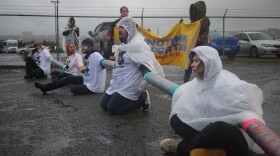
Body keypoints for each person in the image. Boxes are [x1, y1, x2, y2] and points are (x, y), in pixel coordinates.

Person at [160, 46, 264, 156]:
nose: (192, 65)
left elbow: (246, 111)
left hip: (235, 139)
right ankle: (212, 151)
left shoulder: (228, 83)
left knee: (218, 128)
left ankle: (181, 147)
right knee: (176, 119)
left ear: (207, 62)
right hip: (209, 135)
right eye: (193, 61)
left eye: (196, 61)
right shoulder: (197, 83)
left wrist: (231, 119)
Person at [100, 16, 164, 115]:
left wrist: (145, 70)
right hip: (118, 84)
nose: (119, 30)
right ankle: (126, 100)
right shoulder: (123, 46)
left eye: (122, 28)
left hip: (129, 86)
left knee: (113, 109)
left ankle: (141, 100)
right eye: (119, 28)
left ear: (130, 30)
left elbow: (147, 64)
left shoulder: (138, 46)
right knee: (104, 104)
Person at [34, 38, 106, 95]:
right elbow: (69, 67)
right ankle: (45, 87)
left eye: (84, 46)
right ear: (67, 48)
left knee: (70, 85)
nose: (81, 48)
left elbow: (102, 62)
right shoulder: (71, 56)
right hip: (85, 78)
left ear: (89, 47)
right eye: (70, 47)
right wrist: (65, 67)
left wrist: (114, 63)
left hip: (82, 79)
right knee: (57, 74)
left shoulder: (80, 56)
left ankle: (50, 86)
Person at [183, 1, 210, 83]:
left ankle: (202, 81)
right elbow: (189, 29)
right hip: (193, 47)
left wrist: (199, 24)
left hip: (202, 47)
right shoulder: (194, 21)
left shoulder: (205, 19)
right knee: (189, 64)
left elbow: (202, 29)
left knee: (200, 65)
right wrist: (183, 24)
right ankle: (185, 81)